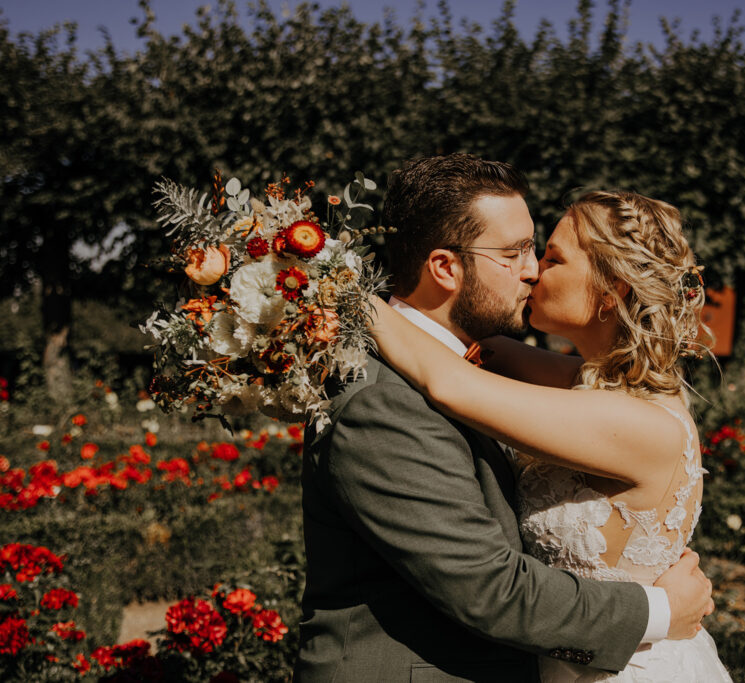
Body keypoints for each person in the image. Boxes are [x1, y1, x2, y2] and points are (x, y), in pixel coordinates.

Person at [294, 154, 715, 682]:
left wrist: (350, 294)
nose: (533, 268)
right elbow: (464, 365)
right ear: (445, 266)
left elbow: (452, 381)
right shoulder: (398, 399)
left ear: (611, 294)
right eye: (515, 251)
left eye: (546, 255)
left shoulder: (633, 417)